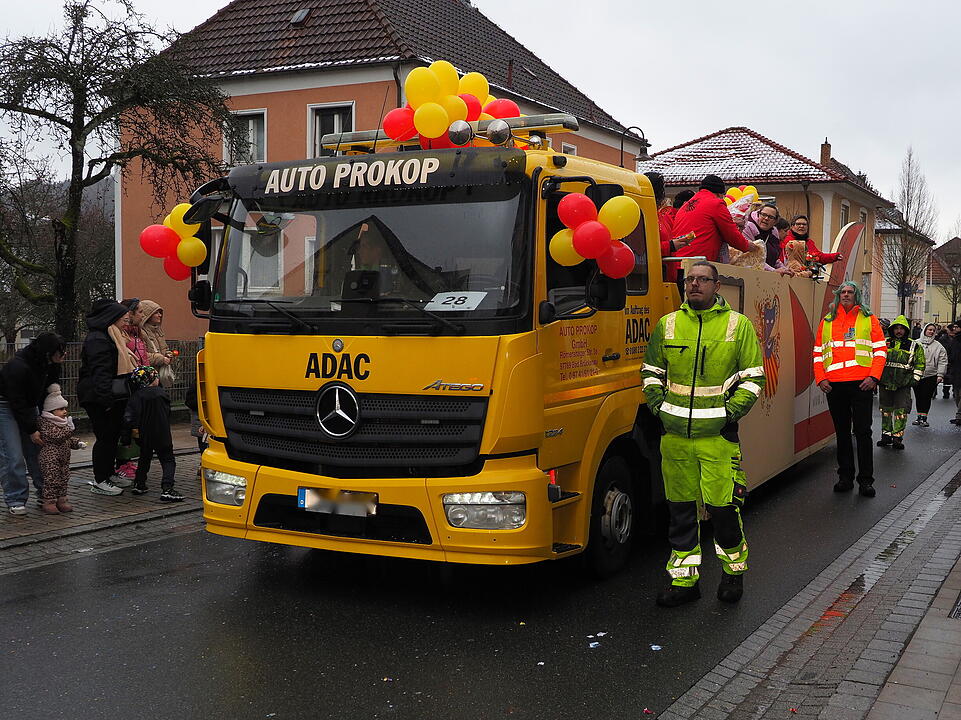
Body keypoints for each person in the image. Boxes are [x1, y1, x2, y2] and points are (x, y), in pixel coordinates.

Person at [642, 260, 765, 607]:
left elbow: (754, 378)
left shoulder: (737, 326)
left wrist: (729, 414)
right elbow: (650, 372)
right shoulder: (667, 324)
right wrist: (659, 407)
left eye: (702, 279)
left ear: (716, 286)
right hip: (675, 438)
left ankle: (732, 574)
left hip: (718, 438)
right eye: (689, 279)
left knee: (723, 510)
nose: (694, 284)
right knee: (680, 513)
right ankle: (684, 583)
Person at [814, 282, 886, 497]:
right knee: (842, 433)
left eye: (850, 292)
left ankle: (865, 481)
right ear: (838, 295)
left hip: (861, 383)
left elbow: (880, 350)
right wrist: (820, 379)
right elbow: (818, 352)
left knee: (863, 432)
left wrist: (874, 377)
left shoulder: (868, 318)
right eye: (842, 292)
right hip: (834, 385)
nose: (845, 295)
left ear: (857, 296)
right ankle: (845, 477)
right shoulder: (827, 321)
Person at [0, 333, 66, 514]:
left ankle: (47, 494)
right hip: (7, 406)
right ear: (47, 352)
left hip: (28, 405)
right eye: (59, 352)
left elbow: (50, 388)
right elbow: (17, 401)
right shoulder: (18, 367)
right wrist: (31, 429)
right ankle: (15, 497)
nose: (63, 355)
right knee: (12, 455)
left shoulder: (47, 364)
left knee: (39, 451)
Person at [77, 299, 137, 496]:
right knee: (104, 437)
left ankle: (109, 474)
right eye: (122, 317)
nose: (125, 320)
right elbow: (100, 372)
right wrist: (106, 401)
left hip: (109, 395)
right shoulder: (99, 339)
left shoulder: (112, 335)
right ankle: (100, 478)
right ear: (111, 318)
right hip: (99, 397)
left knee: (111, 437)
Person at [122, 366, 184, 501]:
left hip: (143, 434)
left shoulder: (136, 396)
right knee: (168, 459)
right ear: (152, 380)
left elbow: (128, 418)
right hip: (162, 432)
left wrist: (126, 439)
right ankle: (167, 487)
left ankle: (139, 483)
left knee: (144, 457)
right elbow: (167, 413)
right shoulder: (161, 394)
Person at [670, 175, 756, 264]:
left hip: (678, 261)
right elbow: (731, 234)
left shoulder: (686, 205)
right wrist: (747, 246)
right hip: (698, 263)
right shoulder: (716, 203)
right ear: (719, 193)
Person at [36, 384, 86, 515]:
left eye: (65, 408)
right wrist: (70, 430)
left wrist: (77, 443)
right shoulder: (46, 423)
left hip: (64, 459)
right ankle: (49, 501)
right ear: (51, 411)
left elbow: (67, 440)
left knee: (64, 479)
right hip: (50, 458)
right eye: (61, 409)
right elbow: (56, 437)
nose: (65, 412)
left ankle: (61, 500)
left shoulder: (63, 423)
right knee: (51, 480)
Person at [876, 316, 924, 450]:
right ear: (892, 329)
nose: (899, 331)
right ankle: (886, 435)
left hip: (903, 385)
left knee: (901, 411)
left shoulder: (914, 346)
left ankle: (897, 437)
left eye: (901, 329)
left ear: (906, 330)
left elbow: (920, 364)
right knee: (885, 410)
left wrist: (914, 380)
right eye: (896, 328)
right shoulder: (884, 342)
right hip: (885, 382)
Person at [741, 204, 792, 275]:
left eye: (771, 217)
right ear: (758, 215)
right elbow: (751, 257)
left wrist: (784, 269)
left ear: (775, 221)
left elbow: (774, 258)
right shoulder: (748, 227)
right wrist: (773, 271)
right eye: (763, 215)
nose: (766, 218)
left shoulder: (774, 231)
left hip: (767, 276)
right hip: (750, 273)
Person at [912, 322, 946, 427]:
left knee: (926, 397)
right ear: (925, 330)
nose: (931, 332)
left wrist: (940, 375)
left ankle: (924, 417)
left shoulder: (938, 346)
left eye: (933, 330)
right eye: (929, 330)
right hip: (917, 374)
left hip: (931, 375)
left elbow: (942, 361)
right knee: (918, 396)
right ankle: (918, 416)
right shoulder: (916, 343)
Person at [138, 300, 176, 387]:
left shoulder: (158, 331)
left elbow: (164, 348)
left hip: (158, 375)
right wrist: (161, 359)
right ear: (148, 315)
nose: (160, 315)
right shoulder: (141, 332)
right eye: (156, 313)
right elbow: (142, 355)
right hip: (149, 376)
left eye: (160, 312)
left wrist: (168, 354)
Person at [945, 324, 961, 425]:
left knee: (960, 394)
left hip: (958, 369)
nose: (954, 328)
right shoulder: (955, 339)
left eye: (957, 327)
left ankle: (959, 415)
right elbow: (950, 354)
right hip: (955, 370)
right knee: (956, 394)